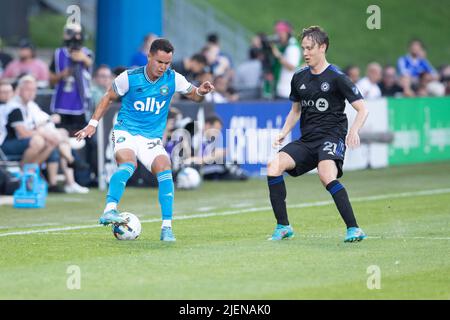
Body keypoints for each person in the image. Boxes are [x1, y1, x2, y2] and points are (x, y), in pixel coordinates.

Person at [75, 38, 215, 241]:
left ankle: (166, 228)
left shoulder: (173, 78)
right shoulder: (129, 77)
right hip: (126, 131)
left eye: (167, 63)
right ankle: (110, 209)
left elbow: (194, 95)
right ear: (149, 56)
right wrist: (92, 124)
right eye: (160, 62)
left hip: (151, 138)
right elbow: (108, 97)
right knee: (128, 164)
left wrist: (201, 92)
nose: (163, 67)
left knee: (164, 168)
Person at [266, 26, 368, 242]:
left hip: (331, 137)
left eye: (310, 48)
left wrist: (354, 131)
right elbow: (295, 111)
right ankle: (283, 226)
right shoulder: (299, 77)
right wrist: (284, 132)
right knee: (274, 167)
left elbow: (362, 108)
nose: (305, 53)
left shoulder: (337, 77)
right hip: (307, 140)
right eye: (303, 48)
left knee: (325, 175)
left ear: (322, 47)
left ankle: (354, 228)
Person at [271, 21, 302, 99]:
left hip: (286, 91)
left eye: (281, 34)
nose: (278, 36)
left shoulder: (292, 47)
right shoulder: (284, 46)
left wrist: (278, 55)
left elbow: (291, 67)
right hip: (280, 90)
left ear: (288, 34)